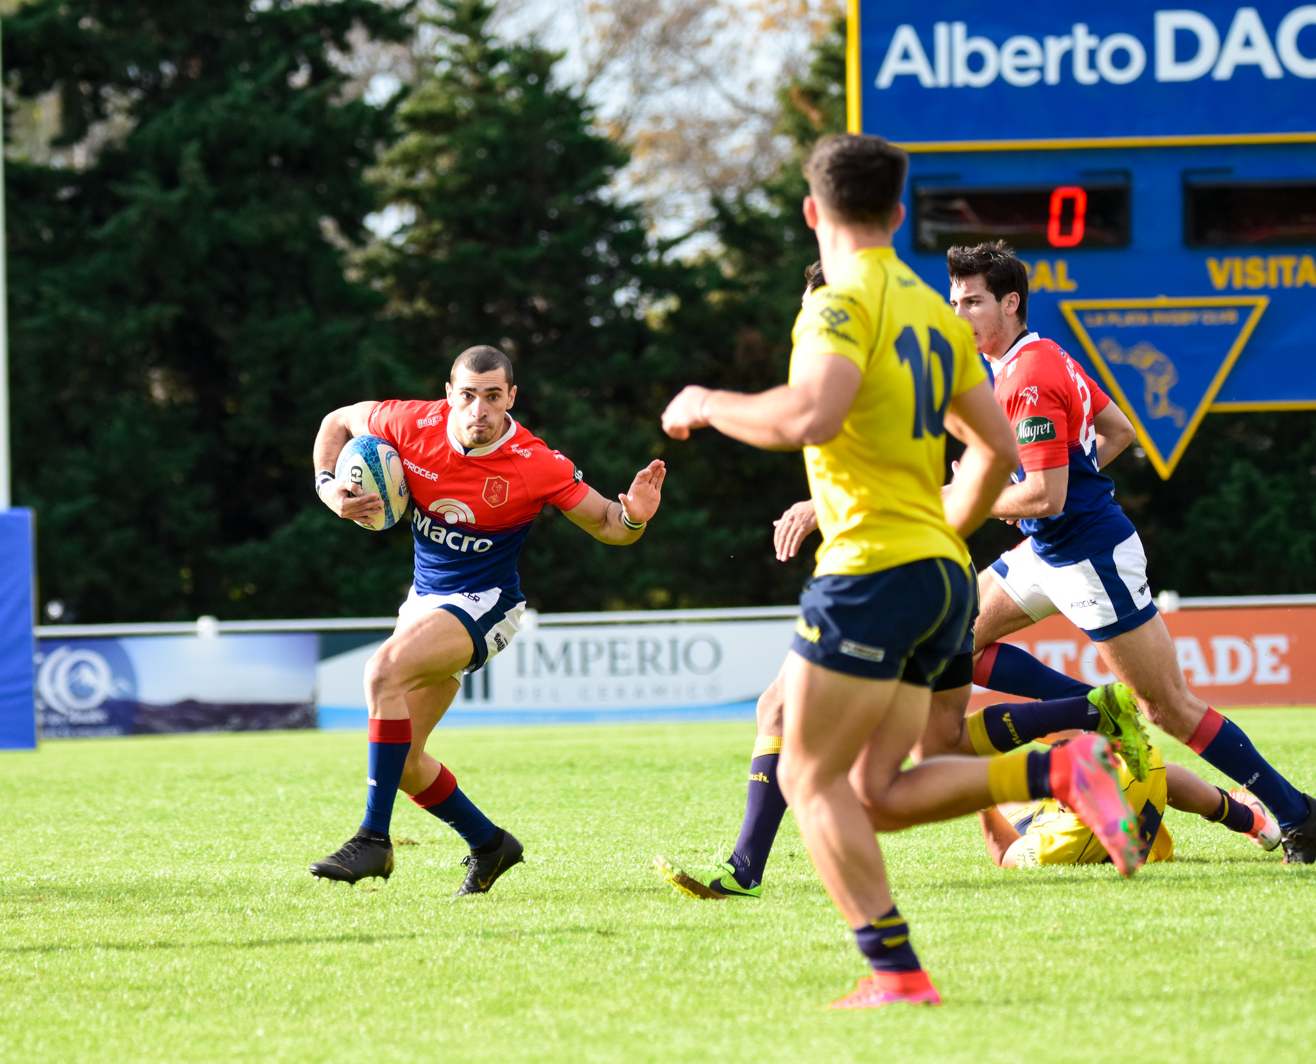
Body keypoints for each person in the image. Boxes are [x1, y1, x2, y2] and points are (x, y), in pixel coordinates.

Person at [658, 134, 1144, 1009]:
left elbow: (813, 411)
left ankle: (896, 971)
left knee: (811, 777)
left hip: (872, 574)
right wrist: (942, 527)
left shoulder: (837, 300)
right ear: (894, 215)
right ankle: (1058, 773)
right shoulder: (930, 309)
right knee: (878, 789)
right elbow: (996, 449)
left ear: (814, 213)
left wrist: (705, 403)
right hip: (943, 576)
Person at [945, 240, 1316, 864]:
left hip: (1089, 554)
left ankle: (1298, 813)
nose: (959, 315)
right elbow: (1117, 431)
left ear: (1011, 303)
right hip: (1049, 550)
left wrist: (966, 497)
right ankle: (1096, 709)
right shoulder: (1035, 355)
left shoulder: (1028, 377)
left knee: (1168, 707)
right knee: (952, 640)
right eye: (953, 301)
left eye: (973, 302)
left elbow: (1045, 496)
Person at [308, 345, 666, 895]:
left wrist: (635, 518)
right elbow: (337, 420)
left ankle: (373, 841)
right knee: (405, 764)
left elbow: (608, 525)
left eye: (493, 397)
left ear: (511, 398)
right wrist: (330, 487)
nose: (479, 410)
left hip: (488, 602)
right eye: (469, 396)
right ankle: (491, 844)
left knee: (381, 673)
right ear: (449, 394)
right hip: (426, 602)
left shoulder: (535, 462)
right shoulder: (411, 421)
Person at [982, 734, 1282, 868]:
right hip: (1112, 814)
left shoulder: (1053, 846)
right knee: (1163, 774)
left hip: (1054, 829)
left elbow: (1006, 851)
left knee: (998, 793)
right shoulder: (1137, 764)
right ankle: (1251, 821)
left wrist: (982, 802)